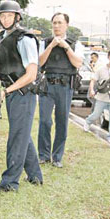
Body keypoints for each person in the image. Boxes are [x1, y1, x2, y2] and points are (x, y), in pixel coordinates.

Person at [0, 0, 43, 192]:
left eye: (9, 15)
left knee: (16, 137)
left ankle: (10, 183)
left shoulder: (24, 39)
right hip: (13, 94)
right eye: (2, 16)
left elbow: (31, 74)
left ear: (17, 17)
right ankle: (35, 175)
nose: (5, 19)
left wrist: (8, 90)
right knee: (22, 135)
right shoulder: (5, 37)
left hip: (23, 94)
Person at [37, 13, 83, 168]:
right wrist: (51, 46)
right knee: (44, 120)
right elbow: (39, 63)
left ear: (66, 25)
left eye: (60, 23)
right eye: (54, 23)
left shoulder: (75, 44)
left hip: (65, 86)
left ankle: (57, 157)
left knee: (62, 121)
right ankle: (43, 155)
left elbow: (78, 63)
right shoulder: (45, 43)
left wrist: (66, 46)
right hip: (47, 85)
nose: (56, 26)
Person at [84, 49, 110, 145]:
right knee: (96, 114)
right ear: (108, 57)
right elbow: (93, 80)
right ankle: (88, 121)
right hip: (101, 98)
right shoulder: (101, 69)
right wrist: (91, 90)